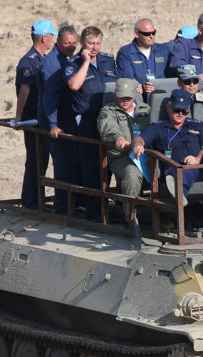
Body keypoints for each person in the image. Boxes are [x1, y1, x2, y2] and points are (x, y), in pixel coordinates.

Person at [132, 89, 203, 208]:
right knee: (184, 172)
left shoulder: (196, 125)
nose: (180, 113)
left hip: (200, 167)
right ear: (168, 108)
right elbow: (139, 139)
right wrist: (137, 145)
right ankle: (179, 200)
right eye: (177, 110)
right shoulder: (158, 127)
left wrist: (197, 158)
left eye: (184, 111)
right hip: (176, 169)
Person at [65, 26, 117, 220]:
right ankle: (95, 214)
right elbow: (74, 85)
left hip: (110, 118)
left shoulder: (108, 60)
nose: (94, 47)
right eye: (90, 44)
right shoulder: (74, 62)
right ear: (82, 43)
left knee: (111, 164)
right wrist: (86, 61)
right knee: (91, 168)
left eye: (97, 43)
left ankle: (108, 208)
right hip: (88, 120)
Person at [13, 19, 57, 209]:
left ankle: (35, 199)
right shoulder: (29, 61)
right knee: (35, 160)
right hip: (32, 119)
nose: (53, 40)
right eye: (51, 36)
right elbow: (24, 91)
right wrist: (18, 117)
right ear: (44, 38)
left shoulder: (41, 59)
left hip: (39, 118)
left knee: (41, 159)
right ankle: (31, 201)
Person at [38, 25, 79, 214]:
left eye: (74, 43)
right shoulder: (52, 63)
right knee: (63, 166)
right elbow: (50, 98)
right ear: (58, 42)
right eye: (67, 43)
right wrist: (53, 125)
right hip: (57, 122)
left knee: (74, 164)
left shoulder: (69, 59)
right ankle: (61, 210)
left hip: (69, 119)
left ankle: (74, 205)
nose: (71, 46)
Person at [97, 78, 151, 221]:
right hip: (122, 157)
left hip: (147, 156)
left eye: (128, 96)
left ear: (134, 94)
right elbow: (108, 128)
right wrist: (118, 138)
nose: (125, 100)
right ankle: (132, 220)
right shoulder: (108, 110)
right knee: (132, 175)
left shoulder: (145, 108)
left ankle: (169, 216)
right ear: (115, 94)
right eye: (121, 96)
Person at [116, 19, 173, 97]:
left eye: (153, 33)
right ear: (136, 34)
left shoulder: (163, 50)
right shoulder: (125, 53)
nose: (151, 36)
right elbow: (128, 78)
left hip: (161, 96)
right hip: (138, 97)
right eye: (147, 34)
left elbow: (171, 76)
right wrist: (143, 86)